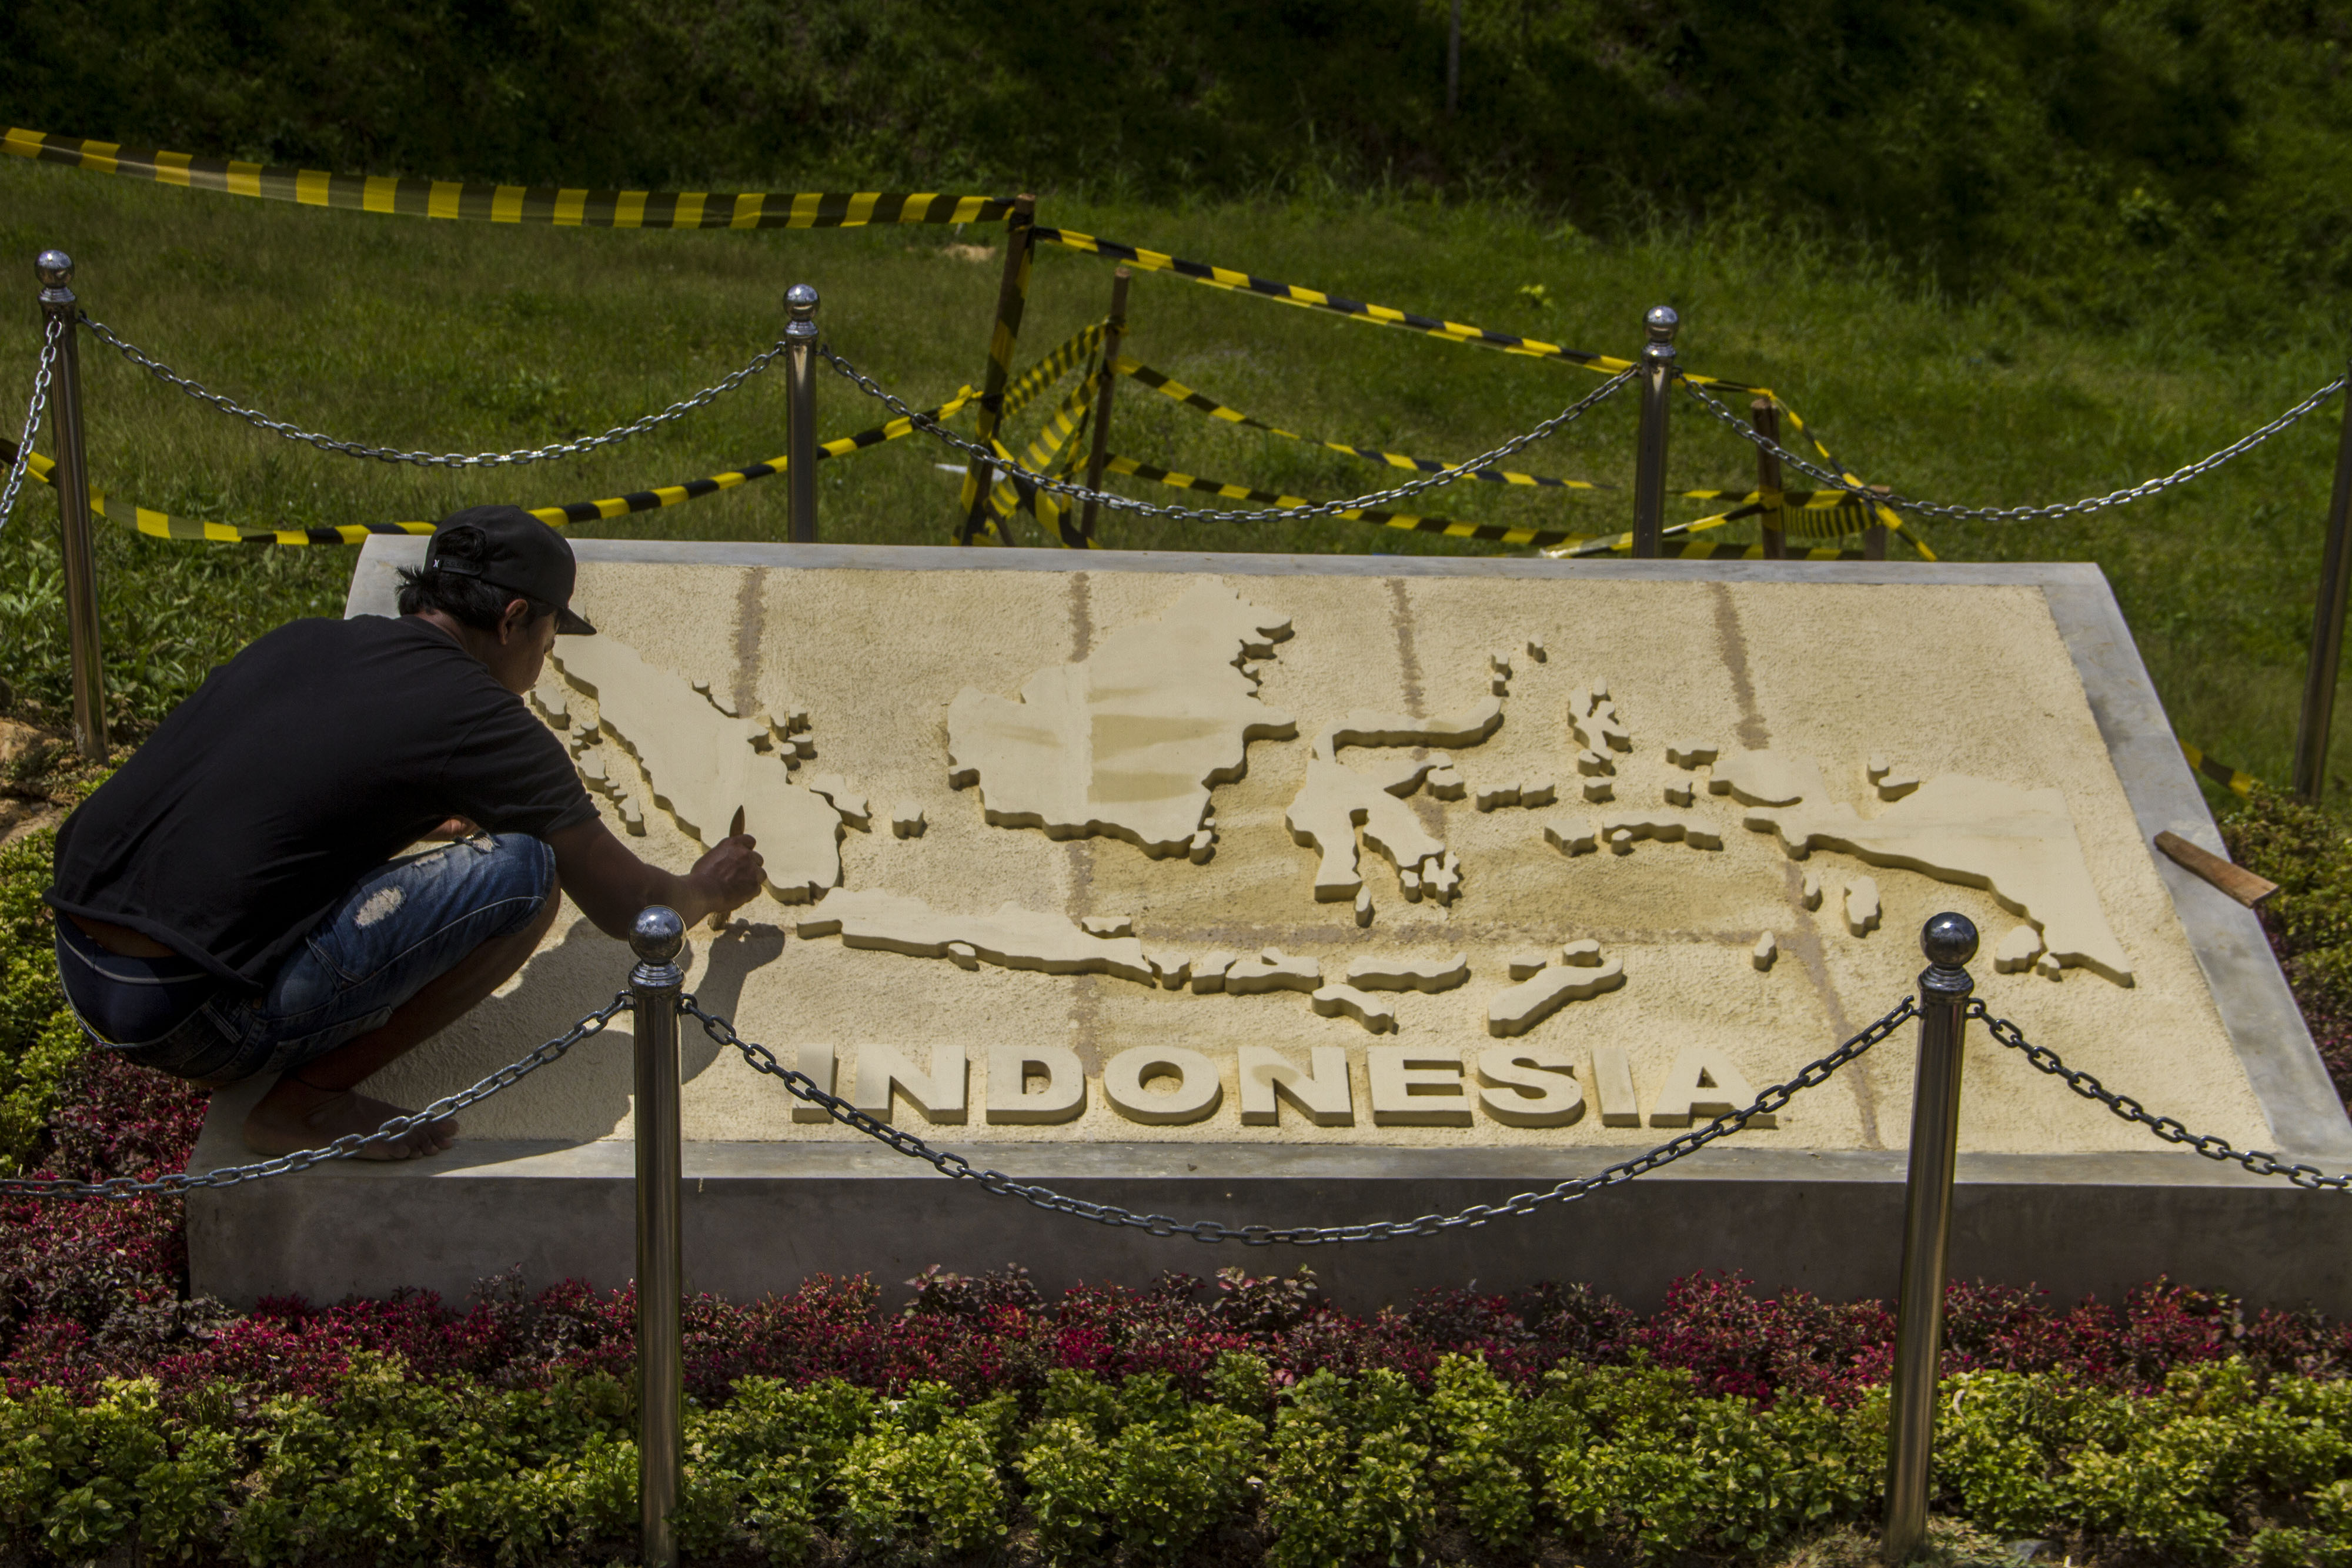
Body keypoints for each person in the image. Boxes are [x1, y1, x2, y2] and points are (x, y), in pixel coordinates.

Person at [44, 506, 763, 1160]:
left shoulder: (306, 641)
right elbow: (631, 908)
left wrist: (421, 811)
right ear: (512, 619)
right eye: (547, 642)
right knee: (528, 876)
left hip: (81, 963)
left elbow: (295, 777)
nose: (543, 667)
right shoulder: (483, 719)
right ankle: (305, 1107)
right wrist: (706, 887)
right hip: (191, 1019)